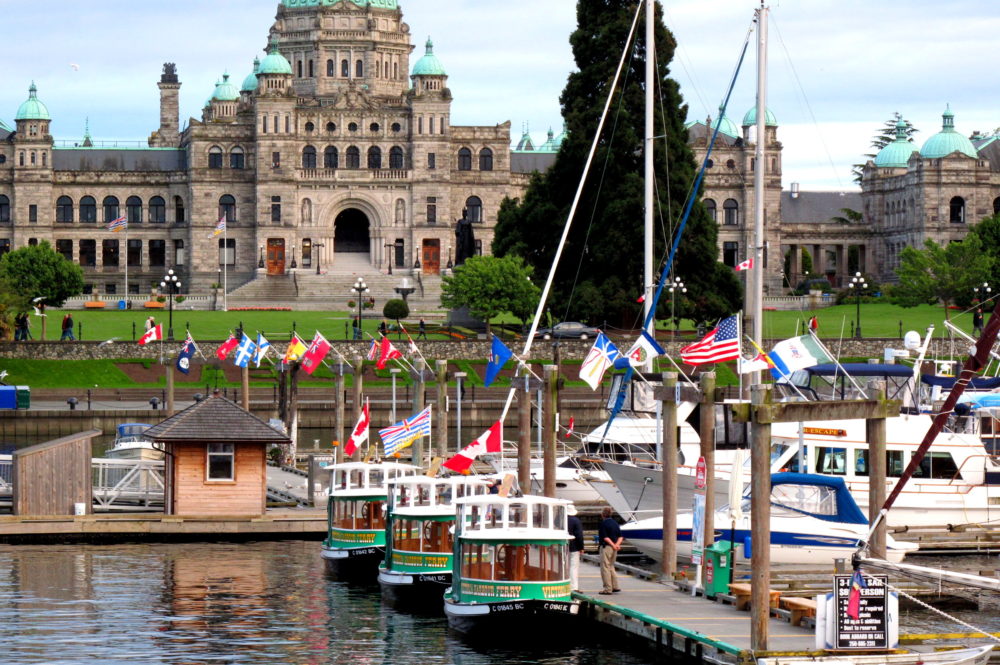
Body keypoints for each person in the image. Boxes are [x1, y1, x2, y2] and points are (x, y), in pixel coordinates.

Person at [597, 506, 622, 595]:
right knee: (611, 566)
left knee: (605, 568)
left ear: (602, 514)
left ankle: (608, 588)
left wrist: (612, 545)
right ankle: (615, 586)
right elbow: (620, 536)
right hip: (614, 548)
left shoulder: (603, 524)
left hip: (607, 547)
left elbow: (605, 537)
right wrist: (616, 545)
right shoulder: (615, 523)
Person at [567, 504, 584, 591]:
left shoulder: (561, 520)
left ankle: (565, 583)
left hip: (564, 546)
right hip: (574, 547)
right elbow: (579, 535)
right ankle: (574, 587)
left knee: (565, 566)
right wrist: (581, 547)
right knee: (573, 567)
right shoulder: (576, 521)